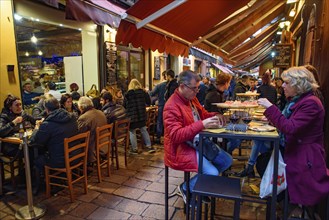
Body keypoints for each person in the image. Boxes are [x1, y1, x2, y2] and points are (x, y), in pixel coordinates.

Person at [257, 66, 329, 210]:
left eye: (286, 82)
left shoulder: (311, 103)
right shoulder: (299, 100)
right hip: (295, 150)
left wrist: (270, 108)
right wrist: (273, 118)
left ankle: (286, 205)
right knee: (263, 160)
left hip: (304, 157)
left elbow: (290, 128)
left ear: (298, 84)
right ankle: (283, 203)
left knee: (263, 162)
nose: (282, 85)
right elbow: (288, 122)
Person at [163, 70, 232, 203]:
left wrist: (215, 115)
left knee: (227, 161)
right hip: (181, 148)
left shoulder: (191, 98)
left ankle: (201, 186)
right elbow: (176, 136)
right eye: (194, 88)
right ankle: (186, 187)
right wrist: (202, 124)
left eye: (198, 88)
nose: (197, 91)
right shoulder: (171, 106)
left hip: (197, 142)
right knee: (212, 173)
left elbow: (203, 114)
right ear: (182, 86)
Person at [29, 97, 78, 194]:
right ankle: (57, 179)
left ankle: (44, 184)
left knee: (36, 159)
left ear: (46, 109)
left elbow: (34, 142)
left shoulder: (47, 124)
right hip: (75, 156)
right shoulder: (72, 117)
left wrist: (37, 128)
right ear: (59, 105)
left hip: (60, 161)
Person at [124, 79, 154, 154]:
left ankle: (134, 149)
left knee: (132, 132)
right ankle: (149, 146)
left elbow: (124, 105)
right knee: (144, 130)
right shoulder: (142, 92)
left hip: (132, 116)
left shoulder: (127, 94)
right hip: (141, 116)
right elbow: (149, 102)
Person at [77, 96, 107, 164]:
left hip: (93, 148)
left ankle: (81, 167)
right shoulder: (100, 112)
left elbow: (79, 135)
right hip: (105, 144)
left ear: (81, 107)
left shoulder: (84, 117)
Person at [149, 71, 167, 144]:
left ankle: (159, 137)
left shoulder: (159, 85)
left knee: (160, 120)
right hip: (170, 105)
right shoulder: (173, 85)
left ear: (163, 76)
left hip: (162, 105)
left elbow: (151, 93)